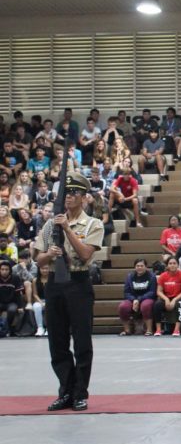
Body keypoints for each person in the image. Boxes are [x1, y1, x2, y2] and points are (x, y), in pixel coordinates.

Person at [35, 171, 104, 412]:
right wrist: (49, 255)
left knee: (82, 340)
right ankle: (65, 389)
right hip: (54, 282)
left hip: (78, 282)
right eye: (67, 193)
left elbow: (86, 254)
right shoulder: (48, 224)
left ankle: (80, 392)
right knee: (57, 341)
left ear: (84, 197)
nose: (69, 197)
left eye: (74, 193)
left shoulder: (93, 224)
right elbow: (38, 261)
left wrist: (66, 228)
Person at [152, 256, 181, 336]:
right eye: (170, 263)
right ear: (167, 266)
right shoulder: (163, 276)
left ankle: (176, 329)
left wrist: (174, 300)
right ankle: (158, 329)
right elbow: (159, 291)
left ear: (178, 265)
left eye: (174, 263)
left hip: (179, 297)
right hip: (166, 297)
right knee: (157, 305)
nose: (172, 265)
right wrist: (166, 299)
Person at [118, 259, 157, 336]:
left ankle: (149, 329)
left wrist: (139, 300)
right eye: (137, 266)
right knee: (123, 306)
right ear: (134, 267)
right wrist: (134, 300)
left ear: (146, 267)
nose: (140, 267)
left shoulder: (152, 276)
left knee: (146, 305)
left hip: (147, 298)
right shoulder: (130, 277)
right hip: (133, 299)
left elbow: (152, 292)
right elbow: (126, 292)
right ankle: (127, 330)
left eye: (142, 266)